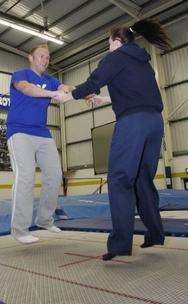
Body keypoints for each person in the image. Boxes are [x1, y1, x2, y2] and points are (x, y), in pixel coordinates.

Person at [55, 19, 170, 260]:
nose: (108, 48)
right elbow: (137, 92)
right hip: (154, 123)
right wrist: (105, 100)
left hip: (133, 125)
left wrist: (69, 96)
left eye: (108, 43)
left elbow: (93, 82)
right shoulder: (142, 61)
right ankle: (156, 234)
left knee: (119, 179)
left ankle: (119, 244)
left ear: (116, 42)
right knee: (142, 181)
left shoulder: (115, 57)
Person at [7, 44, 71, 244]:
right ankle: (19, 229)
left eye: (48, 57)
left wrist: (70, 90)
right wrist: (53, 94)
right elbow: (27, 89)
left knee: (54, 174)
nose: (45, 60)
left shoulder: (51, 80)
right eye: (41, 56)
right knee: (25, 176)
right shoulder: (21, 74)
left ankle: (44, 220)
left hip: (42, 133)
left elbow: (65, 88)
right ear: (31, 58)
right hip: (19, 131)